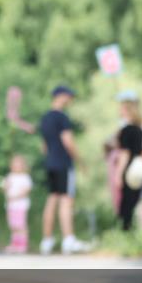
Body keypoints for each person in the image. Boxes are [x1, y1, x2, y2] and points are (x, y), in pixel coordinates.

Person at [38, 85, 88, 254]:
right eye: (69, 96)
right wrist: (80, 161)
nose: (70, 100)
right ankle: (68, 239)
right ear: (60, 96)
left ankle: (46, 241)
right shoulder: (62, 118)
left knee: (52, 200)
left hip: (50, 163)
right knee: (66, 200)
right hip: (63, 164)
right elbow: (68, 141)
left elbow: (43, 147)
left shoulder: (45, 118)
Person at [112, 91, 142, 231]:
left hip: (128, 170)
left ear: (126, 110)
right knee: (134, 202)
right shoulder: (139, 129)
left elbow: (125, 154)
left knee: (126, 204)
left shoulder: (126, 130)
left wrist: (118, 174)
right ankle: (131, 231)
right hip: (139, 169)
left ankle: (125, 232)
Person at [2, 154, 33, 254]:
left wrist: (16, 197)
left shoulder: (25, 177)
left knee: (21, 225)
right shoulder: (9, 176)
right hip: (11, 206)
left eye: (19, 164)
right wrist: (6, 185)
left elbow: (27, 190)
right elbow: (4, 189)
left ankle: (23, 244)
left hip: (20, 206)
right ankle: (15, 244)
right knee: (13, 225)